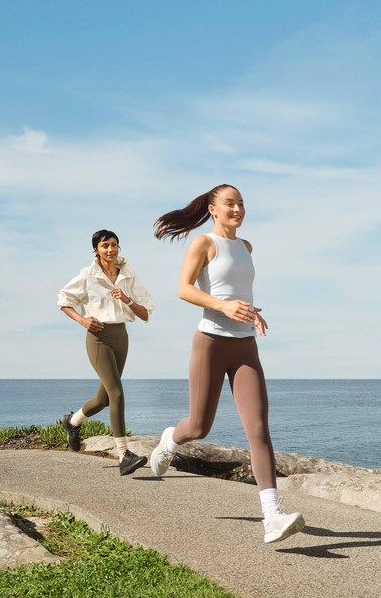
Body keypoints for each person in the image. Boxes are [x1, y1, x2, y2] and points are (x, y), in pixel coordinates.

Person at [149, 184, 305, 543]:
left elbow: (238, 292)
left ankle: (272, 517)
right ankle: (171, 441)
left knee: (259, 429)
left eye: (241, 204)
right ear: (213, 209)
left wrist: (250, 312)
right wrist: (224, 306)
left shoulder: (246, 247)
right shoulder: (204, 244)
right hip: (211, 344)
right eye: (230, 203)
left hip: (245, 346)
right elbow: (184, 289)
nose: (237, 209)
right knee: (199, 427)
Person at [57, 229, 154, 476]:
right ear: (96, 250)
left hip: (121, 337)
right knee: (117, 394)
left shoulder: (128, 276)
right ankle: (124, 455)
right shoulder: (88, 276)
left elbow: (145, 313)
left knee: (104, 399)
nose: (110, 250)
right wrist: (83, 320)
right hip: (98, 338)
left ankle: (72, 422)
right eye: (105, 246)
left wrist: (127, 300)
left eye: (114, 245)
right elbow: (63, 300)